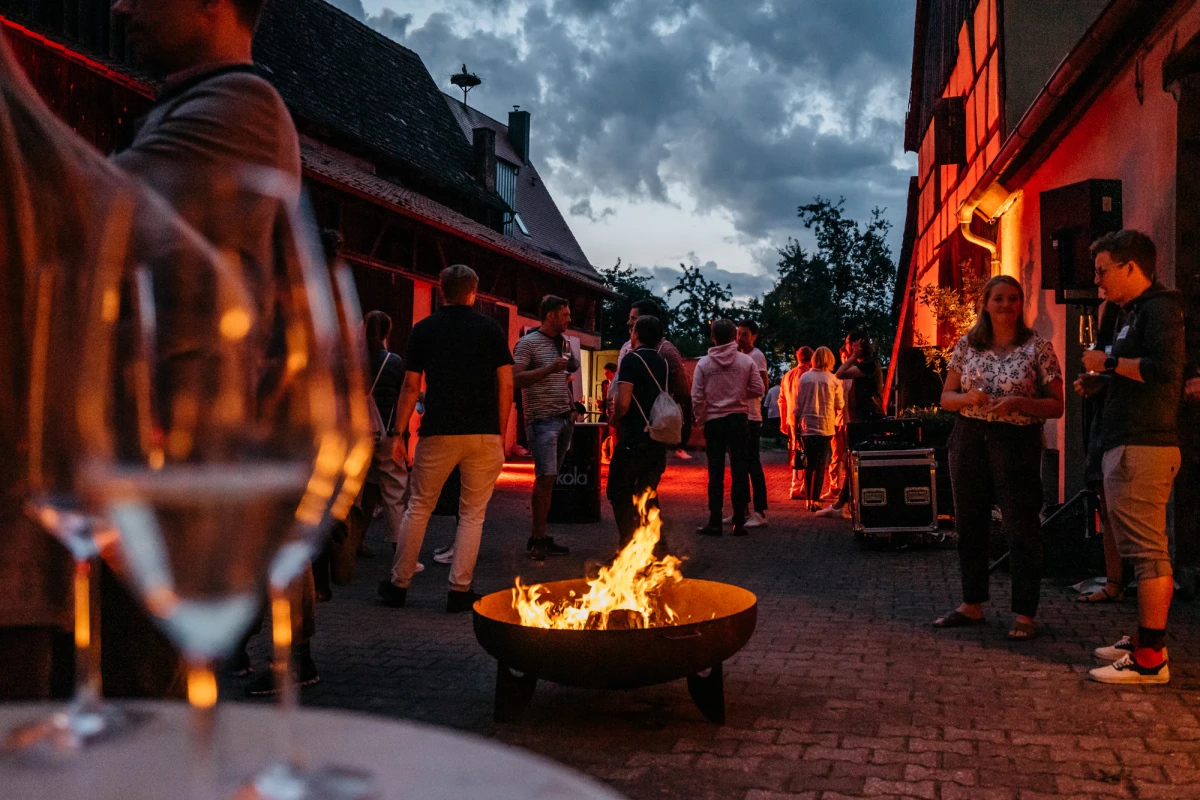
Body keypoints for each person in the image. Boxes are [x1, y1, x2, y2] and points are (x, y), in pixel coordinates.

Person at [98, 0, 303, 697]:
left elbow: (86, 218)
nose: (119, 4)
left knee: (140, 725)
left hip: (164, 492)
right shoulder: (185, 106)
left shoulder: (241, 103)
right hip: (134, 483)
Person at [1077, 231, 1184, 684]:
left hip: (1144, 445)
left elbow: (1164, 372)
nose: (1097, 281)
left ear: (1130, 267)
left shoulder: (1159, 309)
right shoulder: (1128, 313)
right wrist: (1102, 380)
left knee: (1149, 553)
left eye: (1103, 271)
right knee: (1141, 550)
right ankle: (1143, 637)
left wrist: (1107, 364)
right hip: (1126, 441)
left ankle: (1150, 658)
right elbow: (1132, 372)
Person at [932, 275, 1064, 641]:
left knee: (1020, 525)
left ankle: (1025, 613)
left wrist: (1020, 402)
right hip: (969, 436)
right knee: (969, 522)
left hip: (1017, 439)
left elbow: (1057, 405)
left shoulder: (1038, 347)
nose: (1007, 305)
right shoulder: (967, 345)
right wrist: (967, 399)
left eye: (1014, 298)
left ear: (1021, 305)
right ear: (985, 304)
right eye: (999, 298)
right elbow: (946, 397)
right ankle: (971, 604)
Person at [378, 265, 513, 613]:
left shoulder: (424, 330)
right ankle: (459, 589)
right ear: (474, 291)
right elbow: (506, 384)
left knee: (419, 506)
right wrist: (498, 432)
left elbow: (410, 386)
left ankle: (399, 584)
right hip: (483, 431)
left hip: (439, 429)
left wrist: (397, 432)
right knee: (472, 513)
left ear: (441, 291)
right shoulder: (491, 330)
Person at [513, 296, 579, 561]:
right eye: (564, 315)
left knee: (550, 480)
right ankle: (537, 538)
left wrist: (572, 408)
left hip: (563, 418)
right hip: (541, 420)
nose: (569, 319)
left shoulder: (562, 342)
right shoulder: (527, 343)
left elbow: (569, 371)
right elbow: (515, 379)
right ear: (550, 316)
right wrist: (551, 367)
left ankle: (540, 536)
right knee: (545, 478)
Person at [692, 319, 764, 537]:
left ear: (713, 338)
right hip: (739, 419)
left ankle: (714, 521)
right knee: (740, 470)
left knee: (715, 472)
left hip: (714, 420)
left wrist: (701, 418)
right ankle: (739, 522)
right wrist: (740, 395)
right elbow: (759, 389)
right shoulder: (745, 361)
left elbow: (696, 396)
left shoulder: (704, 364)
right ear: (734, 337)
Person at [1076, 300, 1125, 604]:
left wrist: (1105, 373)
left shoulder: (1144, 319)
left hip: (1126, 424)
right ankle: (1114, 581)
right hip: (1103, 419)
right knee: (1106, 507)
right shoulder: (1108, 326)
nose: (1099, 280)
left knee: (1127, 510)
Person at [607, 315, 670, 547]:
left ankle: (628, 543)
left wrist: (614, 419)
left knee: (617, 490)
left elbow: (623, 403)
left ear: (636, 334)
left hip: (633, 437)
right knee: (646, 492)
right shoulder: (661, 362)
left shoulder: (631, 361)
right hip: (655, 437)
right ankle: (656, 546)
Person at [817, 330, 885, 519]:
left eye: (848, 343)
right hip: (861, 418)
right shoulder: (866, 364)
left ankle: (843, 505)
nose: (845, 346)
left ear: (855, 344)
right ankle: (846, 504)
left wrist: (853, 356)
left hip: (867, 418)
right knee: (853, 461)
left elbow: (840, 373)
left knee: (855, 461)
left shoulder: (868, 364)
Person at [615, 300, 691, 457]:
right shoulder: (626, 347)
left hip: (649, 426)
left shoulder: (667, 352)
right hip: (632, 426)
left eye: (634, 319)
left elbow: (683, 391)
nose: (629, 323)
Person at [731, 320, 770, 528]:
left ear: (754, 336)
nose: (739, 338)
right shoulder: (739, 356)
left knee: (752, 464)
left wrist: (738, 392)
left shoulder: (756, 356)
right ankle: (742, 509)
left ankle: (760, 511)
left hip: (751, 416)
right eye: (738, 334)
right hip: (739, 414)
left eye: (744, 334)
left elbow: (763, 385)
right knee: (740, 465)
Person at [795, 347, 843, 512]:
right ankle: (815, 499)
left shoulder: (805, 377)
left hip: (807, 425)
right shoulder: (833, 379)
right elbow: (839, 404)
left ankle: (807, 498)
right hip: (825, 425)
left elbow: (798, 403)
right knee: (821, 463)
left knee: (809, 463)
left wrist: (795, 426)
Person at [779, 346, 814, 500]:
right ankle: (804, 486)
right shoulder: (809, 375)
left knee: (796, 452)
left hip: (791, 418)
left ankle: (795, 486)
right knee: (808, 453)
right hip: (805, 418)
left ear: (798, 357)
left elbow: (782, 400)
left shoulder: (787, 375)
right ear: (811, 359)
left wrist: (783, 420)